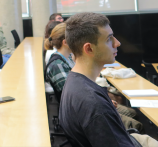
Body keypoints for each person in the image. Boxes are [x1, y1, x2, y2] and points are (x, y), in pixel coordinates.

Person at [60, 12, 158, 147]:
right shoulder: (93, 103)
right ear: (89, 48)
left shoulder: (74, 80)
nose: (117, 43)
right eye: (109, 39)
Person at [45, 22, 142, 132]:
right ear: (66, 42)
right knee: (134, 122)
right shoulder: (57, 64)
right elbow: (74, 96)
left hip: (88, 107)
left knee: (128, 110)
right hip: (83, 113)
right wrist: (104, 101)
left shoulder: (67, 59)